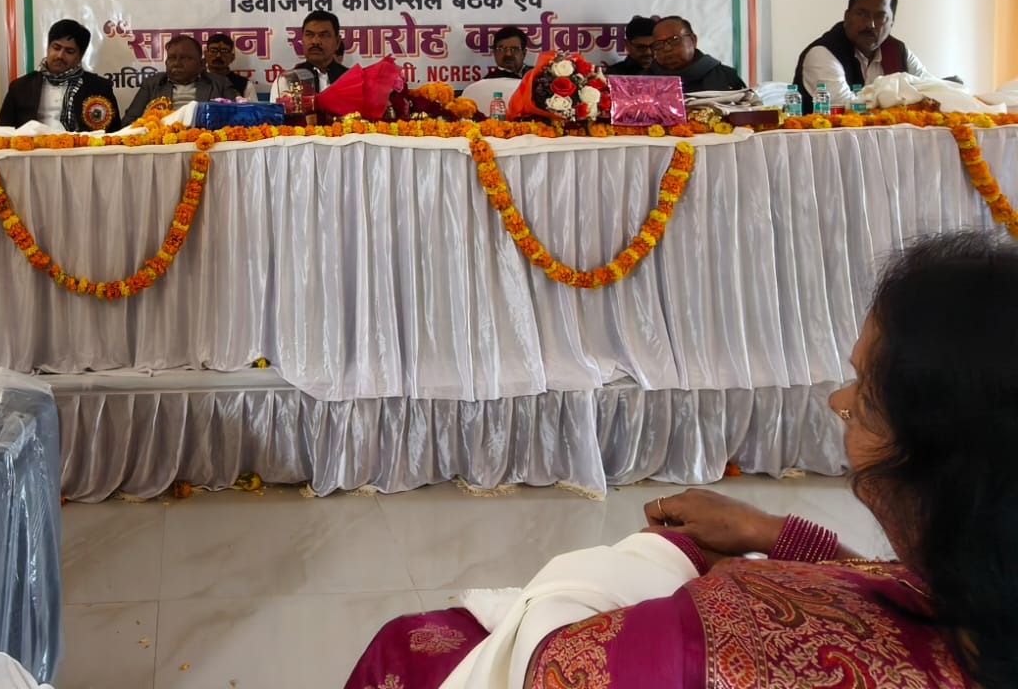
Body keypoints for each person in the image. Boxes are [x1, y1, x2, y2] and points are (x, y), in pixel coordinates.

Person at [341, 231, 1018, 689]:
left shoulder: (734, 638)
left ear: (946, 464)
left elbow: (559, 665)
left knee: (412, 645)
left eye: (866, 396)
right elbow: (919, 584)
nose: (838, 400)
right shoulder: (986, 591)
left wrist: (603, 575)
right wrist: (773, 534)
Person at [793, 0, 929, 112]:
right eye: (861, 14)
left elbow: (932, 89)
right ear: (847, 17)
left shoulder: (898, 51)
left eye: (880, 17)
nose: (870, 24)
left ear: (892, 23)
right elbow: (846, 107)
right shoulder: (823, 53)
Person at [0, 18, 121, 132]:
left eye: (69, 51)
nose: (60, 55)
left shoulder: (99, 87)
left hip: (80, 149)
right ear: (48, 47)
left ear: (80, 56)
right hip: (33, 148)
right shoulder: (20, 87)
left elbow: (113, 134)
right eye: (56, 48)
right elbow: (3, 132)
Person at [124, 34, 230, 121]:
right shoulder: (152, 84)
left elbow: (234, 120)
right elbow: (128, 123)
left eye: (185, 58)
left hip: (204, 137)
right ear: (166, 62)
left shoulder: (219, 84)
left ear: (201, 64)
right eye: (172, 58)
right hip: (163, 138)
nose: (177, 63)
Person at [649, 15, 744, 93]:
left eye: (674, 39)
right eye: (659, 43)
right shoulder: (645, 80)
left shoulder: (726, 77)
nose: (667, 48)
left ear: (693, 40)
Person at [293, 9, 349, 93]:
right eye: (309, 35)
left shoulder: (351, 79)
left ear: (337, 42)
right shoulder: (288, 80)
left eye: (323, 35)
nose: (315, 41)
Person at [203, 31, 258, 100]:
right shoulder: (196, 79)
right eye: (213, 50)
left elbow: (252, 106)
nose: (218, 55)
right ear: (205, 54)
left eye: (224, 51)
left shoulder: (244, 85)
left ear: (232, 57)